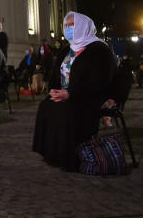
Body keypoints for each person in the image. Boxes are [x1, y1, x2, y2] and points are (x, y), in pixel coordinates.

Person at [33, 11, 115, 171]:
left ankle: (71, 155)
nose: (69, 28)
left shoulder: (99, 50)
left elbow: (100, 80)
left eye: (72, 25)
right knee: (47, 106)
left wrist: (71, 93)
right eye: (66, 26)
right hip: (65, 94)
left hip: (87, 96)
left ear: (83, 27)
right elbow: (55, 75)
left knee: (67, 110)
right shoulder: (66, 50)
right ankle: (53, 153)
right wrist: (54, 91)